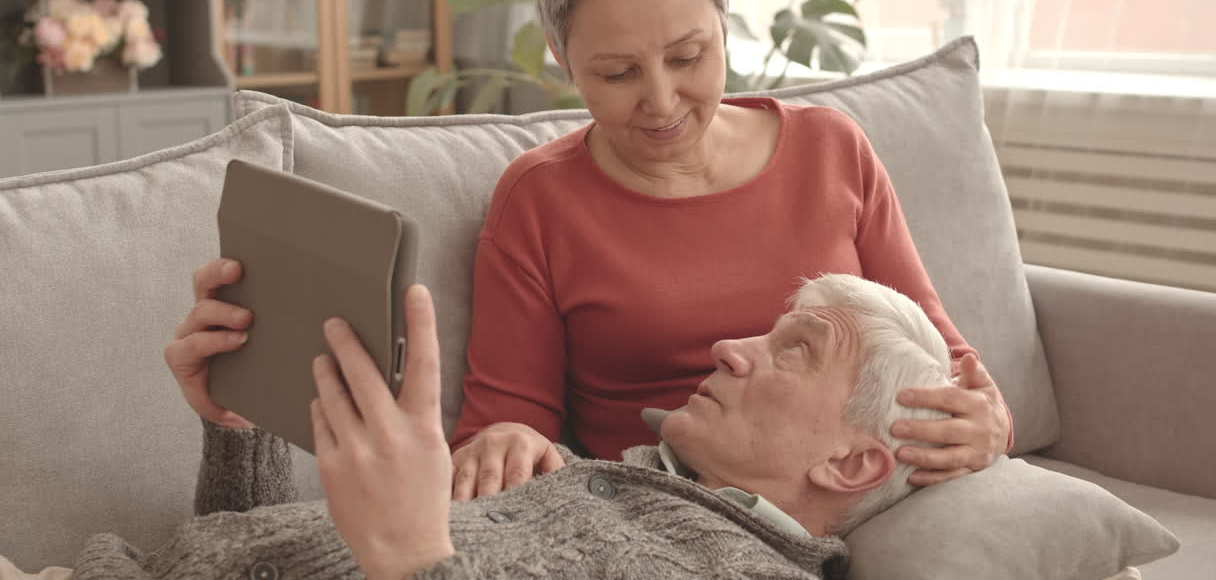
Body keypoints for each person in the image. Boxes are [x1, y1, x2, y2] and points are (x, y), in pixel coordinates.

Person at [447, 0, 1012, 500]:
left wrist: (988, 422)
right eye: (618, 73)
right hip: (650, 510)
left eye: (688, 57)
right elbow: (503, 425)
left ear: (723, 23)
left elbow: (942, 361)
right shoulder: (539, 200)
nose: (661, 102)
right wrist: (506, 443)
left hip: (850, 501)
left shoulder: (830, 151)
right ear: (561, 55)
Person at [56, 272, 958, 579]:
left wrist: (412, 553)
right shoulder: (585, 476)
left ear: (852, 463)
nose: (730, 346)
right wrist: (242, 425)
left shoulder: (735, 568)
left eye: (795, 349)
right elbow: (238, 550)